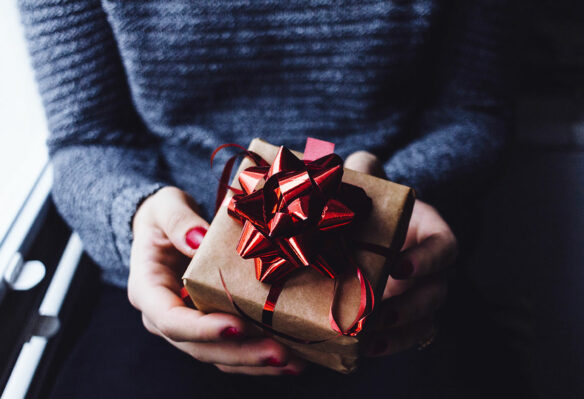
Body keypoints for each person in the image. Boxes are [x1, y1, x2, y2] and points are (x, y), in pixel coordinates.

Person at [18, 0, 510, 396]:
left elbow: (471, 113)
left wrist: (389, 201)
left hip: (390, 268)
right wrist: (135, 213)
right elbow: (87, 137)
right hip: (178, 272)